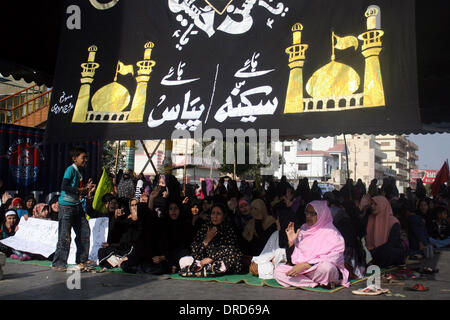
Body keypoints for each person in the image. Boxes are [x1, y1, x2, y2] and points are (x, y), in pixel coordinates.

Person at [273, 201, 349, 288]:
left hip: (319, 270)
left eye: (313, 213)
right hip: (305, 272)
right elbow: (292, 260)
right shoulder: (303, 229)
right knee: (278, 271)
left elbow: (334, 258)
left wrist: (306, 265)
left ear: (322, 214)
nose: (308, 216)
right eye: (307, 212)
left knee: (326, 268)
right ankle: (314, 283)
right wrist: (291, 243)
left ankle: (313, 281)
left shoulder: (332, 233)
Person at [52, 146, 96, 271]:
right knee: (65, 235)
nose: (85, 160)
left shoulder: (80, 171)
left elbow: (78, 191)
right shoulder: (70, 170)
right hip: (66, 207)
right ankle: (58, 263)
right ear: (75, 159)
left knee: (84, 232)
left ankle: (82, 260)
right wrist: (79, 189)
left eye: (86, 157)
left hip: (77, 206)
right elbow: (64, 186)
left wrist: (87, 189)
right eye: (83, 157)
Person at [179, 203, 243, 277]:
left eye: (218, 213)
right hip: (202, 260)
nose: (215, 216)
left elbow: (231, 248)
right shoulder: (205, 228)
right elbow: (195, 250)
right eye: (213, 213)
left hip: (219, 260)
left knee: (234, 257)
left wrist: (211, 258)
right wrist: (206, 240)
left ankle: (201, 269)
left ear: (223, 216)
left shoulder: (228, 229)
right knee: (184, 260)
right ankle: (207, 269)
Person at [364, 196, 406, 268]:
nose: (372, 206)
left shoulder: (393, 221)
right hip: (373, 252)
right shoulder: (370, 219)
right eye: (371, 204)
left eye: (375, 204)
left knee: (388, 251)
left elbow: (392, 243)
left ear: (383, 205)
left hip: (386, 252)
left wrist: (374, 252)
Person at [250, 210, 288, 279]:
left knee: (280, 253)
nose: (276, 222)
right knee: (254, 268)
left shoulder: (297, 236)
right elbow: (266, 255)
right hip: (274, 265)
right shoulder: (276, 234)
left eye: (279, 220)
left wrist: (277, 258)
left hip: (289, 267)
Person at [159, 201, 194, 273]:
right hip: (166, 258)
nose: (173, 211)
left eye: (176, 208)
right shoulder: (164, 225)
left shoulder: (186, 225)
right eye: (171, 209)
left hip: (180, 256)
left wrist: (166, 257)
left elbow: (185, 246)